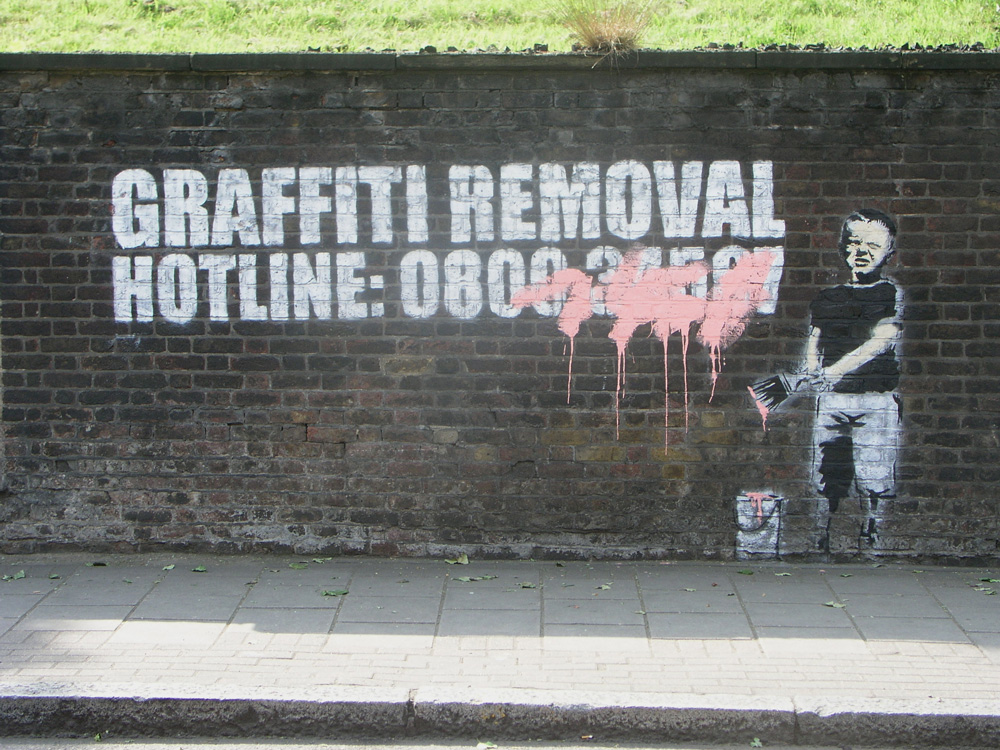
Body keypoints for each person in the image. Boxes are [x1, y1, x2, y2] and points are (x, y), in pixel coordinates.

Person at [802, 209, 903, 550]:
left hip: (875, 399)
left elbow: (882, 340)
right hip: (833, 399)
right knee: (826, 471)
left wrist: (834, 371)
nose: (861, 251)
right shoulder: (828, 297)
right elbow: (815, 339)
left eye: (873, 245)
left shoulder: (889, 294)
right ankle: (823, 534)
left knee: (874, 474)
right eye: (854, 242)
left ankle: (871, 532)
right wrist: (812, 370)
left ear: (889, 252)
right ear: (842, 246)